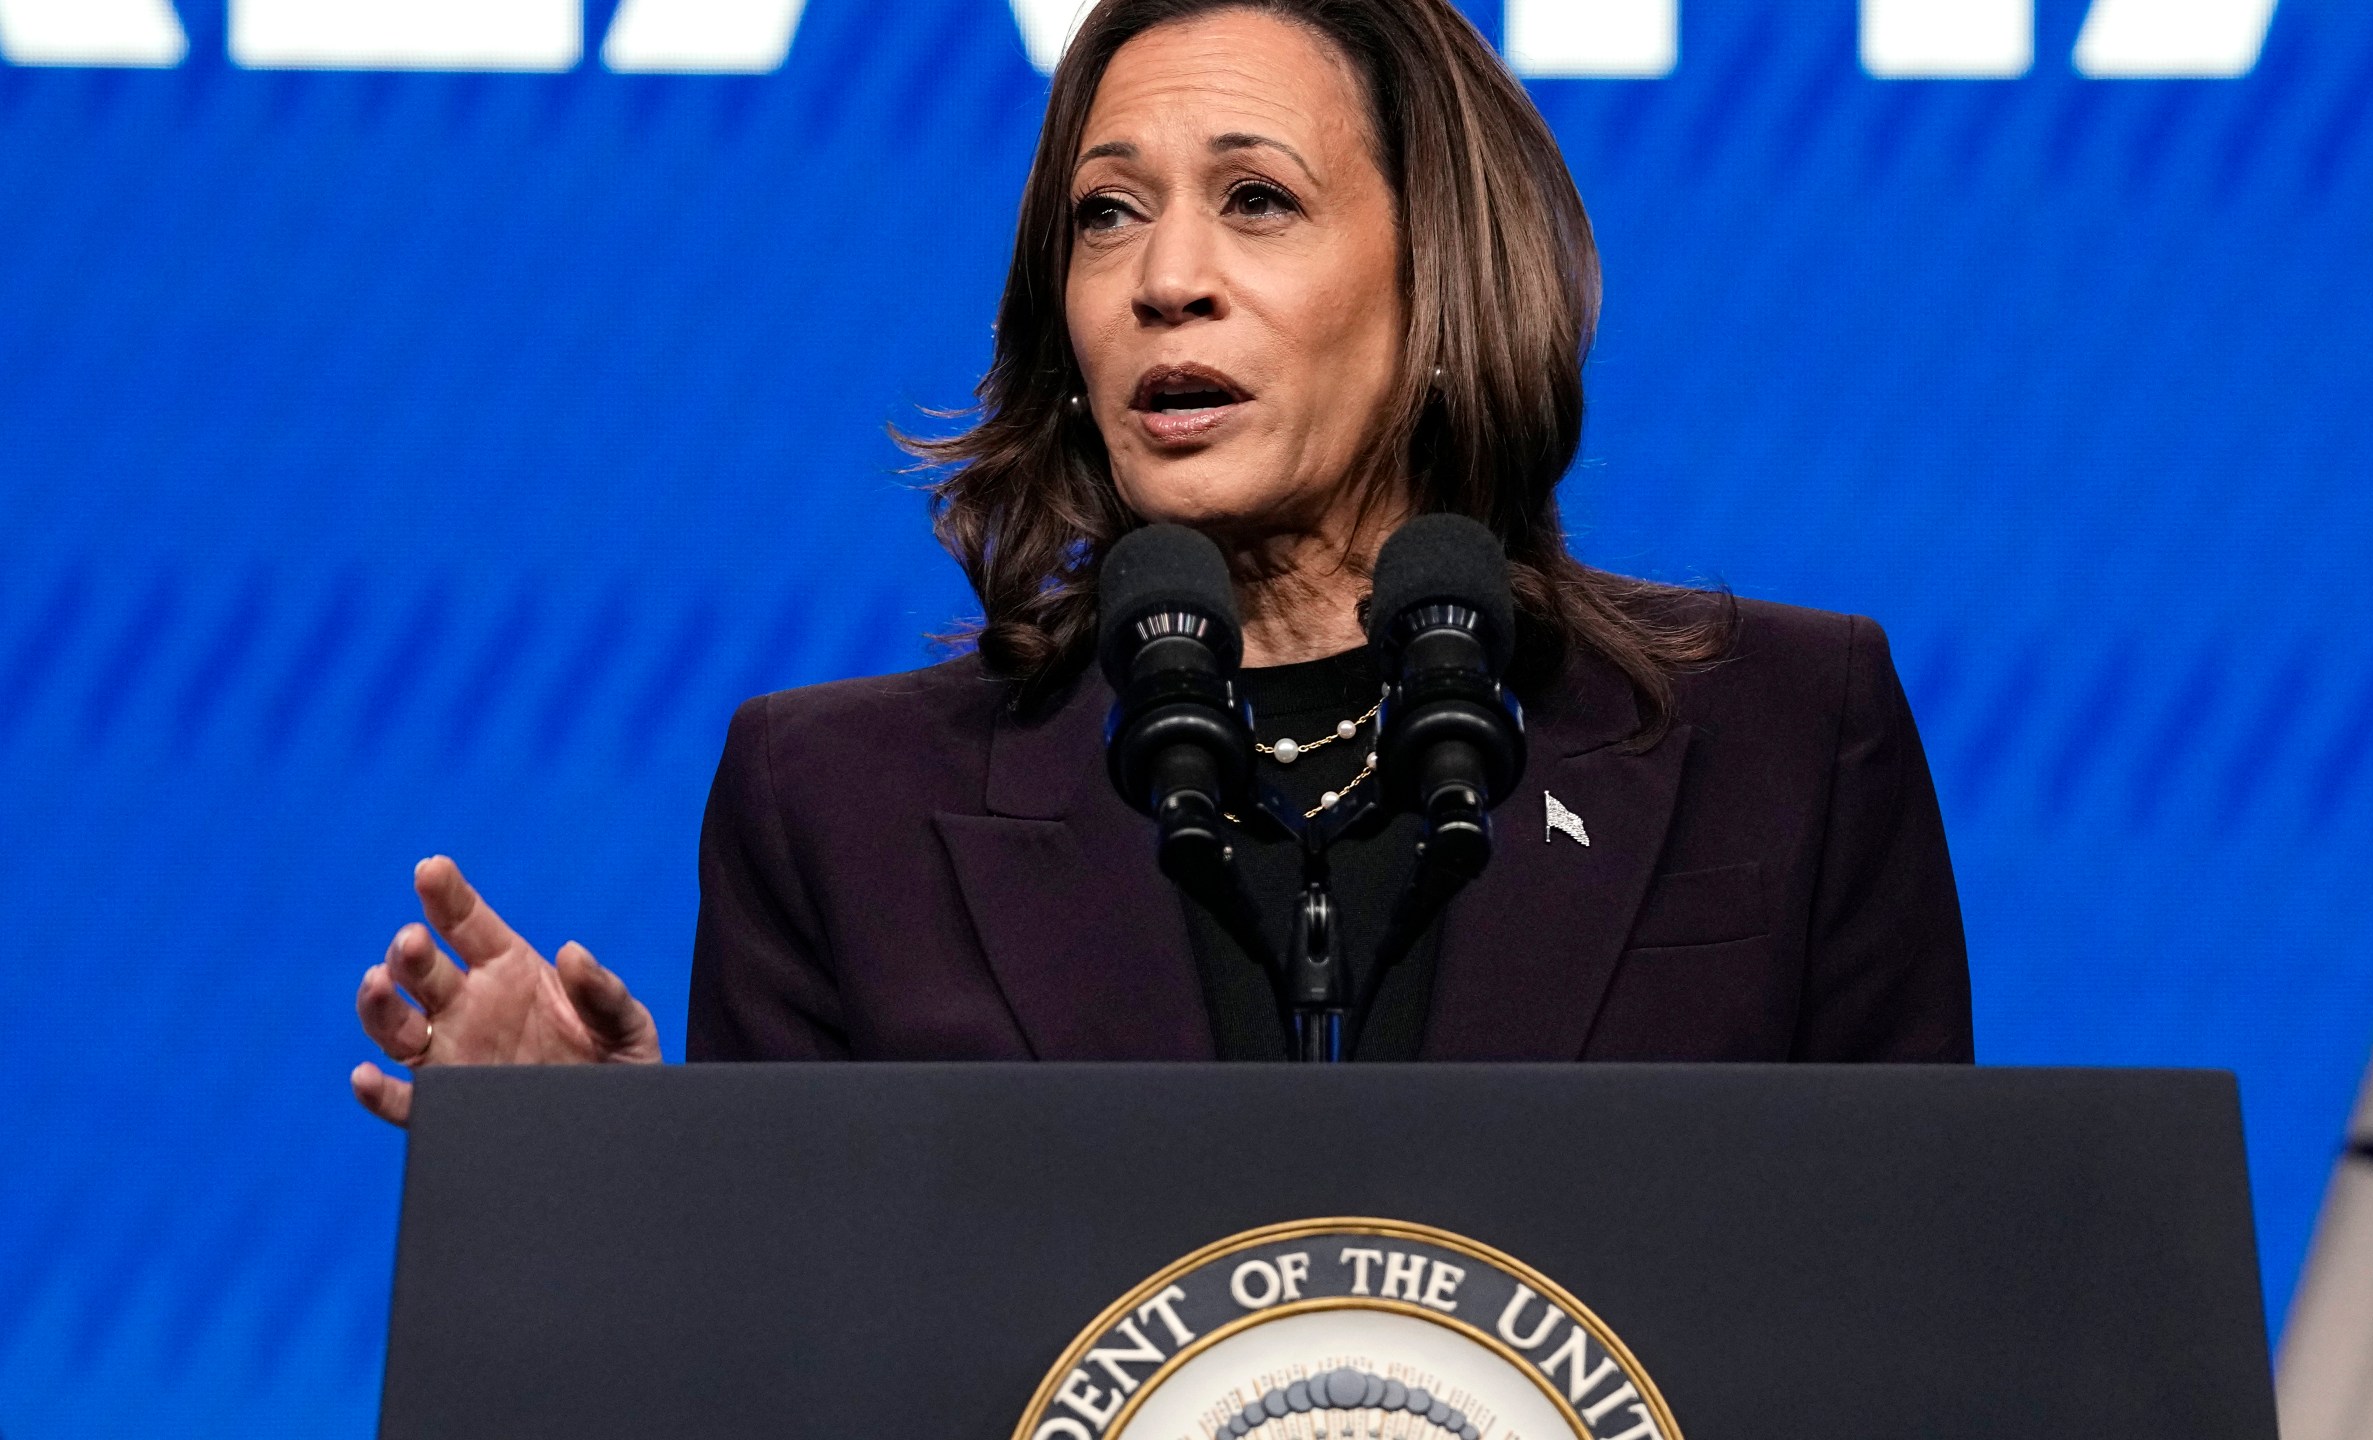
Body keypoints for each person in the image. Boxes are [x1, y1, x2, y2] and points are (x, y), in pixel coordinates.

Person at [350, 0, 1970, 1126]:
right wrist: (615, 1184)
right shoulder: (838, 808)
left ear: (1440, 277)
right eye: (1106, 216)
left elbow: (1921, 1308)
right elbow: (810, 1369)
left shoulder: (1779, 737)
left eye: (1257, 201)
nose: (1164, 278)